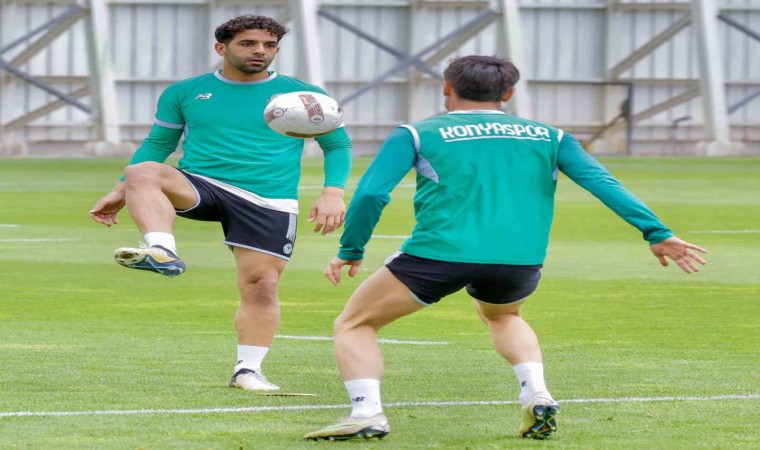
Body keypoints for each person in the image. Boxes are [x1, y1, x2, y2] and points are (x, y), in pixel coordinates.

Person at [303, 55, 707, 441]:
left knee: (355, 323)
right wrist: (657, 232)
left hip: (439, 255)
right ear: (509, 93)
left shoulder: (416, 133)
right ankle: (537, 394)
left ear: (447, 89)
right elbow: (603, 183)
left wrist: (352, 249)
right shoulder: (552, 136)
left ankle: (366, 414)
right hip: (519, 261)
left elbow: (372, 194)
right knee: (503, 315)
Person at [89, 15, 352, 392]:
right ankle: (162, 251)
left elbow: (337, 145)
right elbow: (159, 144)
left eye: (269, 45)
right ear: (221, 48)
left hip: (268, 197)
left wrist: (333, 192)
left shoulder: (304, 96)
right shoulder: (185, 92)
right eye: (248, 43)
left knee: (261, 285)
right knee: (142, 171)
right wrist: (121, 188)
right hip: (202, 184)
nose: (260, 51)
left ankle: (248, 371)